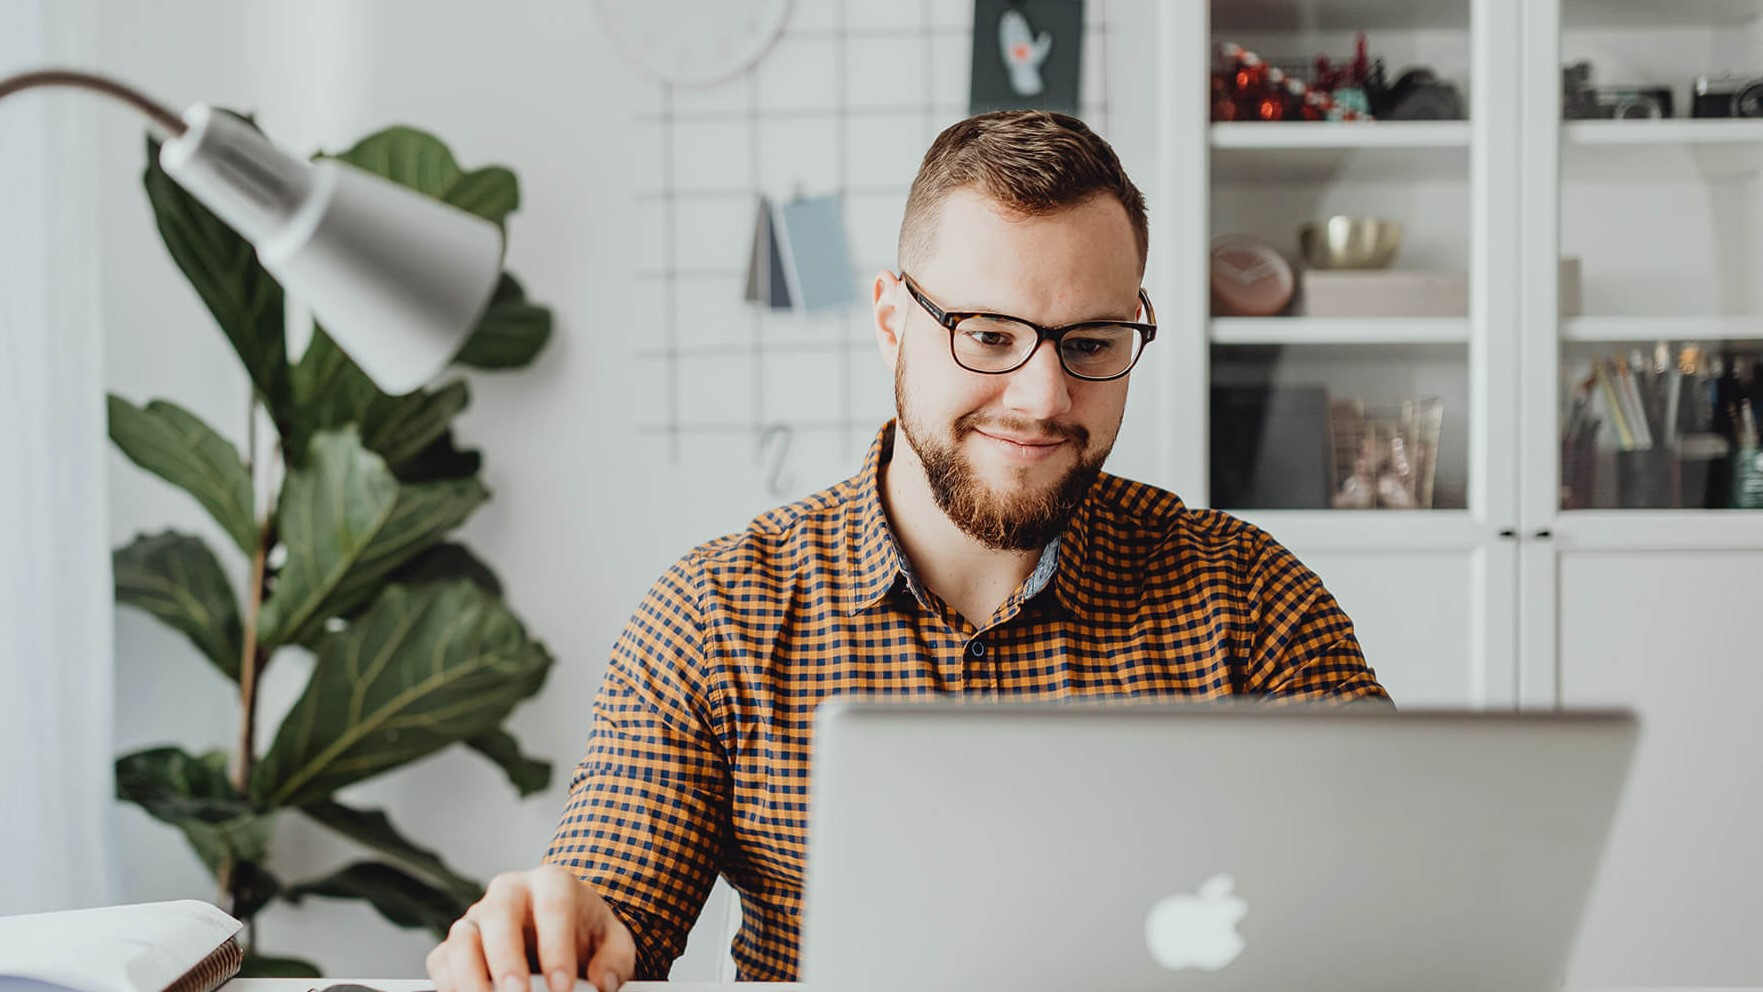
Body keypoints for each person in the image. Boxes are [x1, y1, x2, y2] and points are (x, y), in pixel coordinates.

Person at [425, 109, 1390, 992]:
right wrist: (558, 931)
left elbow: (1400, 894)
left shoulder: (1249, 598)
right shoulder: (718, 612)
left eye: (1091, 343)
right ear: (892, 321)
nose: (1043, 398)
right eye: (987, 334)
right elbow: (611, 904)